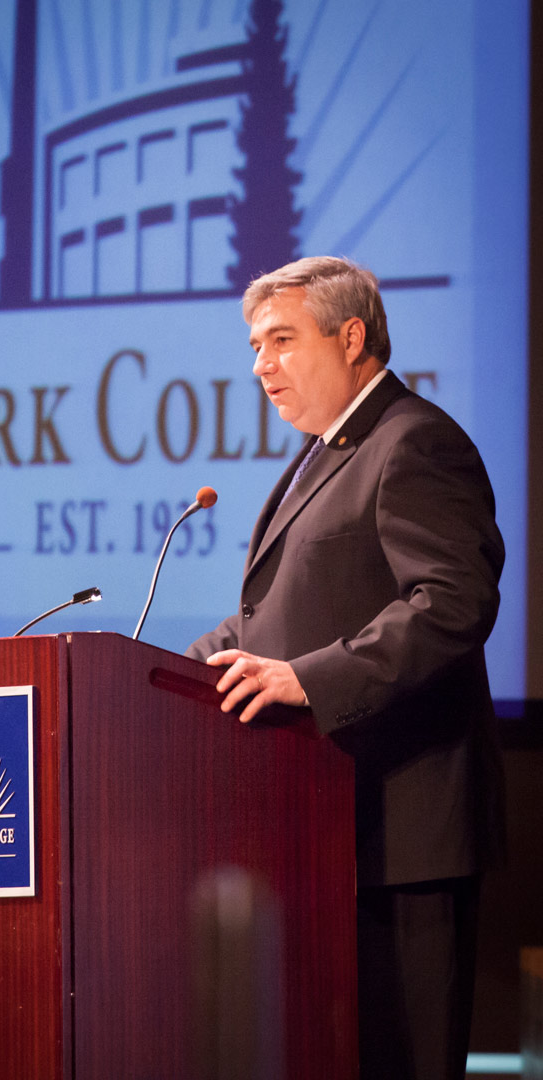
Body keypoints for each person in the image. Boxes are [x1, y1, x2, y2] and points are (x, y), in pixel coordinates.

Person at [185, 256, 505, 1080]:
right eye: (256, 345)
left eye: (282, 340)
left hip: (405, 835)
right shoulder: (327, 454)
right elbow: (291, 611)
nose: (260, 364)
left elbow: (453, 602)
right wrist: (163, 669)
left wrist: (309, 679)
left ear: (351, 335)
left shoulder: (415, 441)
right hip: (331, 829)